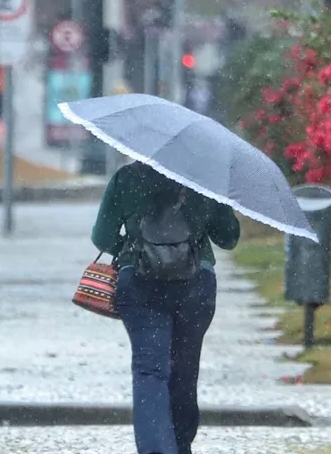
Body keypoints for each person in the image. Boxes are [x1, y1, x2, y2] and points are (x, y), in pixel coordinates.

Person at [92, 161, 240, 454]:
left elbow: (102, 236)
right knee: (184, 370)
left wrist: (132, 248)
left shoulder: (126, 178)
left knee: (150, 370)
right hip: (195, 285)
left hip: (139, 283)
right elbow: (228, 238)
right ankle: (181, 444)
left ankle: (157, 449)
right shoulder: (204, 177)